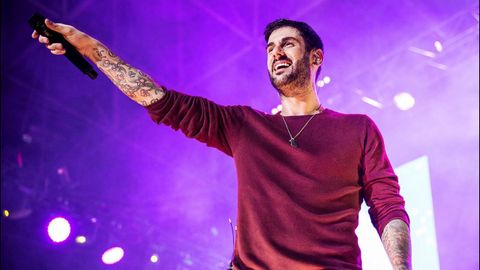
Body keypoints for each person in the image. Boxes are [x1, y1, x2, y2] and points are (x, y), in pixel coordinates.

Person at [32, 18, 411, 270]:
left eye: (288, 44)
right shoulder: (244, 125)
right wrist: (86, 45)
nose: (276, 52)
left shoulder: (358, 129)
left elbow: (387, 205)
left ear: (316, 57)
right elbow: (158, 99)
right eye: (270, 48)